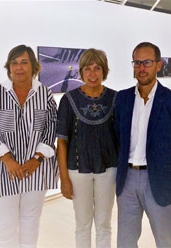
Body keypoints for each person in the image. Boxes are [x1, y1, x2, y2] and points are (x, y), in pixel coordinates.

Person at [0, 45, 58, 248]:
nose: (19, 67)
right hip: (3, 173)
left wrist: (37, 159)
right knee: (5, 229)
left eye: (24, 62)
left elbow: (51, 129)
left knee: (31, 226)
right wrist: (8, 160)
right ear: (9, 67)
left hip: (35, 172)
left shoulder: (46, 95)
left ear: (33, 66)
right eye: (14, 63)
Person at [114, 42, 171, 248]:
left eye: (147, 62)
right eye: (137, 63)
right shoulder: (122, 99)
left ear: (158, 65)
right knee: (125, 241)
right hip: (127, 180)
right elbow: (116, 138)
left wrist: (167, 167)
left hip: (158, 180)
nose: (141, 68)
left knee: (164, 240)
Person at [56, 48, 118, 248]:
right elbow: (62, 142)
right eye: (88, 69)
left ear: (104, 71)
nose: (93, 74)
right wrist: (64, 177)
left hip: (108, 170)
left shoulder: (115, 98)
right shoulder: (69, 99)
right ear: (81, 72)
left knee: (104, 224)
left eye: (97, 68)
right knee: (82, 224)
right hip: (77, 170)